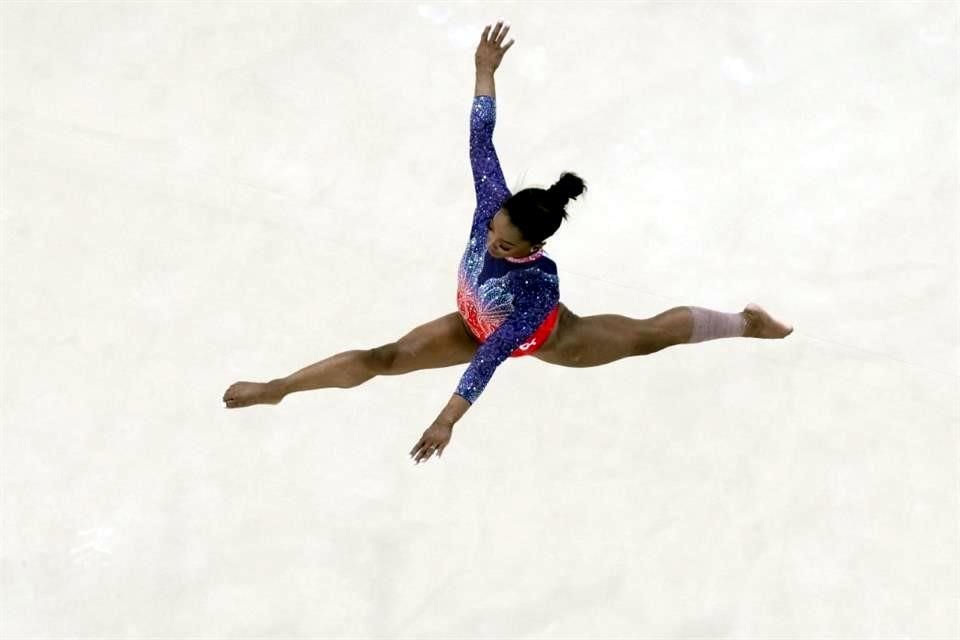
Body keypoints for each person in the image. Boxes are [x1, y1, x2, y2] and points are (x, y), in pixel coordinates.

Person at [222, 21, 793, 465]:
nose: (491, 242)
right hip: (468, 321)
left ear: (531, 249)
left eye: (504, 245)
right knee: (383, 358)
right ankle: (279, 388)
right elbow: (480, 137)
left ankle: (745, 322)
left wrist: (447, 419)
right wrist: (484, 71)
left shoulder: (538, 287)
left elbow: (492, 355)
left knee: (646, 338)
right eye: (493, 232)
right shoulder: (493, 203)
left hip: (550, 339)